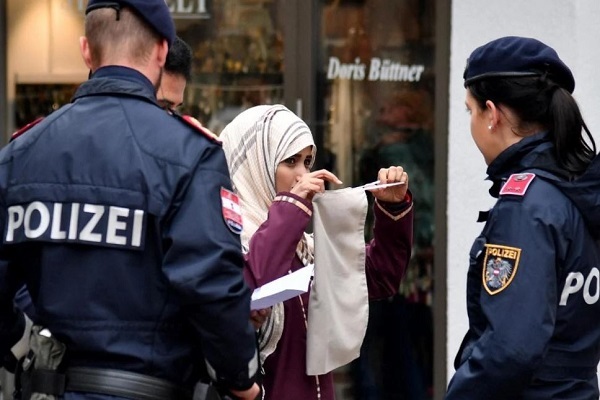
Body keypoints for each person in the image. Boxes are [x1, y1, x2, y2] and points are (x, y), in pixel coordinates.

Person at [0, 1, 261, 399]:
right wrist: (242, 381)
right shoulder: (190, 156)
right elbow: (211, 288)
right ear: (161, 50)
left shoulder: (21, 155)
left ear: (86, 49)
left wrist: (22, 347)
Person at [219, 104, 414, 400]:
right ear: (257, 164)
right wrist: (291, 209)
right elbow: (250, 291)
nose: (303, 175)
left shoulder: (301, 246)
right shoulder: (226, 240)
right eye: (290, 161)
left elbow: (377, 277)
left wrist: (392, 208)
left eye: (307, 162)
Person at [446, 36, 600, 399]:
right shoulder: (578, 187)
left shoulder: (527, 205)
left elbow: (510, 349)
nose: (472, 122)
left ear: (492, 114)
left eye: (471, 111)